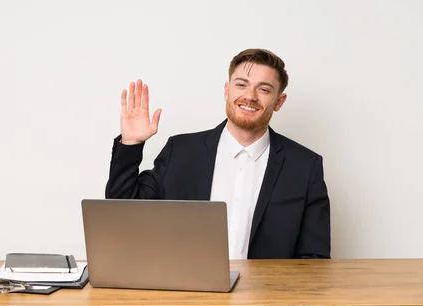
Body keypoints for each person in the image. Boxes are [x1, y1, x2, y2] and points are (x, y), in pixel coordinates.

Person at [105, 48, 331, 259]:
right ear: (227, 90)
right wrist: (131, 143)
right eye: (241, 84)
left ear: (279, 101)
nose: (250, 96)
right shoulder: (181, 152)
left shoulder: (305, 167)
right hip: (186, 296)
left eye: (263, 89)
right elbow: (123, 217)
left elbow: (314, 260)